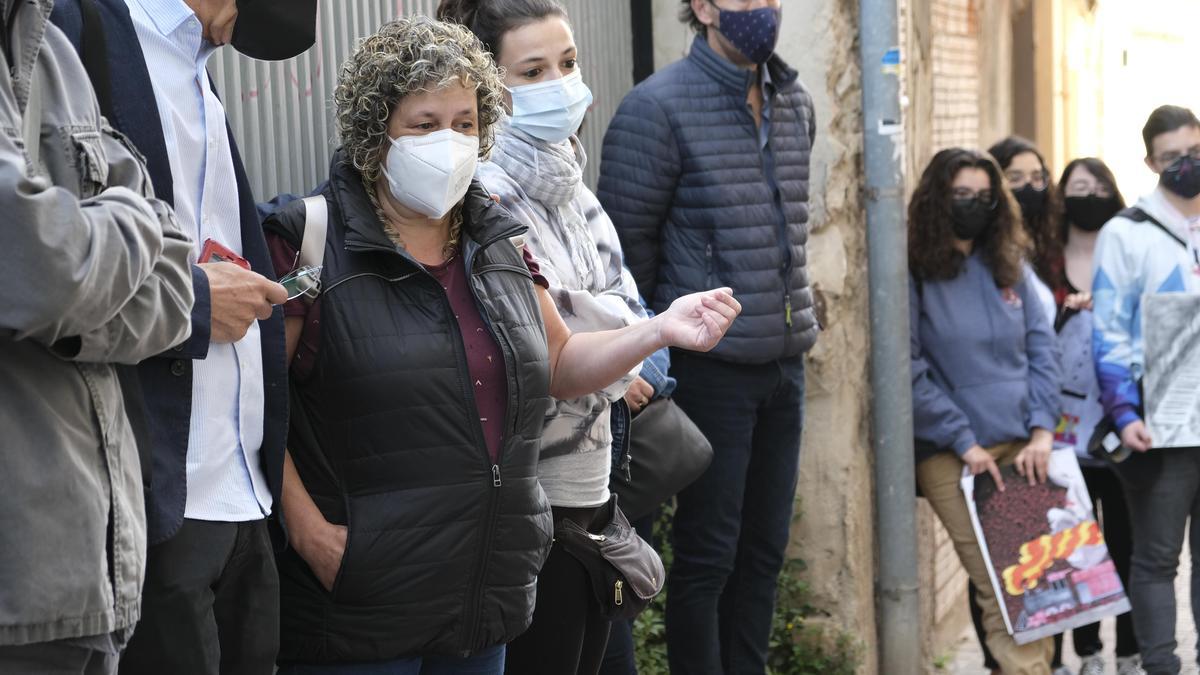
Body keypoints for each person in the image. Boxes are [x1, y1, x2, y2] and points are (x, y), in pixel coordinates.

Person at [263, 17, 741, 674]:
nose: (449, 141)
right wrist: (311, 534)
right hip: (359, 605)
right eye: (425, 124)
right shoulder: (308, 240)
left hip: (482, 598)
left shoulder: (499, 242)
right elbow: (259, 402)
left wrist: (658, 329)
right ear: (377, 133)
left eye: (464, 123)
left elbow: (561, 362)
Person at [48, 1, 318, 672]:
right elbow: (45, 265)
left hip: (242, 498)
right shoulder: (78, 31)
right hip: (154, 501)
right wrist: (195, 302)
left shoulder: (196, 64)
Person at [435, 2, 663, 672]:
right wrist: (625, 336)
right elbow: (550, 342)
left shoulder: (572, 186)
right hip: (532, 496)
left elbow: (623, 305)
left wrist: (615, 333)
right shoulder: (484, 193)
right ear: (490, 86)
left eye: (567, 63)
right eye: (533, 71)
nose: (560, 84)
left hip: (596, 482)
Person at [598, 1, 817, 671]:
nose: (764, 9)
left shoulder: (795, 102)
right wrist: (645, 358)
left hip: (784, 365)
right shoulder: (655, 108)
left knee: (764, 552)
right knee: (707, 557)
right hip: (709, 368)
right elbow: (623, 260)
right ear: (701, 7)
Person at [0, 0, 194, 670]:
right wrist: (133, 217)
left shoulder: (54, 49)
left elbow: (174, 289)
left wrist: (67, 294)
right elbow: (44, 268)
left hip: (89, 578)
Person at [909, 148, 1060, 674]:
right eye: (961, 195)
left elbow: (1043, 348)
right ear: (937, 198)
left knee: (1036, 582)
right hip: (955, 452)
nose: (973, 205)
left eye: (984, 196)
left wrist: (1042, 430)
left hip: (1023, 445)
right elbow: (906, 367)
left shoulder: (1008, 263)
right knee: (1000, 583)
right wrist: (963, 440)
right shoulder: (912, 271)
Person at [1092, 105, 1200, 675]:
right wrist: (1123, 410)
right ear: (1150, 163)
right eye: (1172, 157)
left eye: (1195, 153)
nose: (1186, 165)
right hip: (1160, 424)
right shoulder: (1126, 233)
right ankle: (1161, 666)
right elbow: (1107, 330)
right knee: (1157, 559)